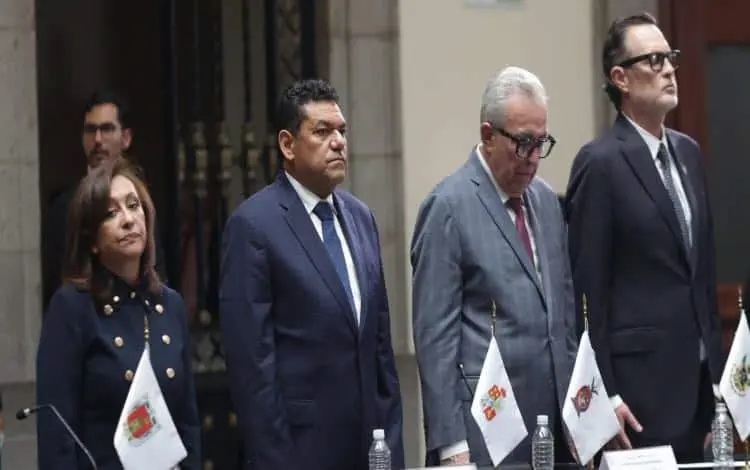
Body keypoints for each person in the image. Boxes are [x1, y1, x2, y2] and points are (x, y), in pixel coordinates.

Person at [219, 78, 404, 470]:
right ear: (288, 145)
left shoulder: (361, 218)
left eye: (342, 131)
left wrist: (391, 447)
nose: (338, 142)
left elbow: (380, 349)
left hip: (369, 450)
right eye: (322, 132)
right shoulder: (254, 225)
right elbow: (252, 367)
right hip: (300, 453)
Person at [565, 12, 724, 463]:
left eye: (670, 58)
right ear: (621, 78)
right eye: (654, 60)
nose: (669, 69)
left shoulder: (689, 154)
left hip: (701, 390)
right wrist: (605, 394)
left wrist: (720, 380)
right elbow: (587, 293)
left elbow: (701, 275)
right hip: (636, 397)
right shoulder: (600, 163)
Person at [411, 66, 577, 466]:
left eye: (542, 142)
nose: (533, 158)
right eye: (523, 143)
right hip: (483, 431)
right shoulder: (447, 207)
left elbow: (563, 321)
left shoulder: (547, 203)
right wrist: (451, 445)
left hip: (553, 428)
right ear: (488, 135)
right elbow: (435, 340)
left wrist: (581, 418)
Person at [36, 159, 200, 469]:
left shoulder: (171, 305)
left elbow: (188, 423)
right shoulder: (72, 308)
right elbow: (57, 435)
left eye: (133, 206)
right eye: (111, 213)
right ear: (92, 241)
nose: (127, 219)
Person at [43, 90, 165, 311]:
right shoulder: (64, 206)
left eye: (107, 129)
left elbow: (156, 270)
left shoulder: (143, 198)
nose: (98, 140)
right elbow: (57, 279)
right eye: (91, 130)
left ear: (126, 138)